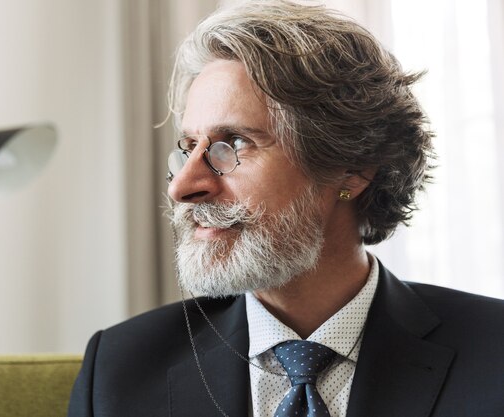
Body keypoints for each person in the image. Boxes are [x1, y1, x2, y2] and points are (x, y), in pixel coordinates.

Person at [68, 1, 504, 416]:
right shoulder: (119, 370)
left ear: (351, 170)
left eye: (233, 144)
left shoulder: (493, 352)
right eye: (188, 148)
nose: (183, 186)